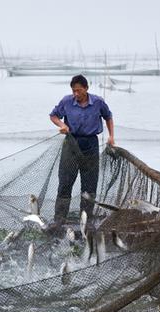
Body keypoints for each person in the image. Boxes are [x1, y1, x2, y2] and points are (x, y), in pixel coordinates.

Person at [49, 74, 114, 226]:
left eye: (79, 91)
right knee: (65, 183)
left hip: (90, 144)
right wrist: (62, 125)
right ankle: (59, 221)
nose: (76, 94)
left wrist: (111, 137)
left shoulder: (98, 102)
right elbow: (53, 116)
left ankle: (86, 222)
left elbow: (108, 117)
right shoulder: (67, 101)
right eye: (73, 91)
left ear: (86, 88)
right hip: (71, 142)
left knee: (89, 186)